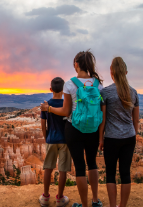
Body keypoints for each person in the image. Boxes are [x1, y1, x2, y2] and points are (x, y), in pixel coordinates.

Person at [42, 51, 104, 207]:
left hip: (74, 129)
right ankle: (95, 201)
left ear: (76, 64)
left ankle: (84, 204)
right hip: (93, 130)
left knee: (80, 168)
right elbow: (102, 112)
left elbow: (65, 111)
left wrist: (49, 109)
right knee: (92, 164)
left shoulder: (70, 84)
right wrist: (101, 135)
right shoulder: (98, 84)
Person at [99, 57, 139, 207]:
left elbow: (102, 119)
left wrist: (100, 139)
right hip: (129, 137)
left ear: (112, 72)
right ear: (125, 72)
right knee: (125, 173)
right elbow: (136, 120)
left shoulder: (106, 92)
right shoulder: (133, 93)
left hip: (111, 137)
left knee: (110, 174)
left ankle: (112, 205)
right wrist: (133, 135)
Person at [39, 77, 71, 207]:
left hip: (51, 139)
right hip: (65, 140)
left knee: (48, 168)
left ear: (50, 89)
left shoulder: (46, 105)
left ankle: (45, 197)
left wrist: (47, 137)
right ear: (63, 90)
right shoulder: (66, 104)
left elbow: (43, 124)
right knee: (62, 170)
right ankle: (60, 198)